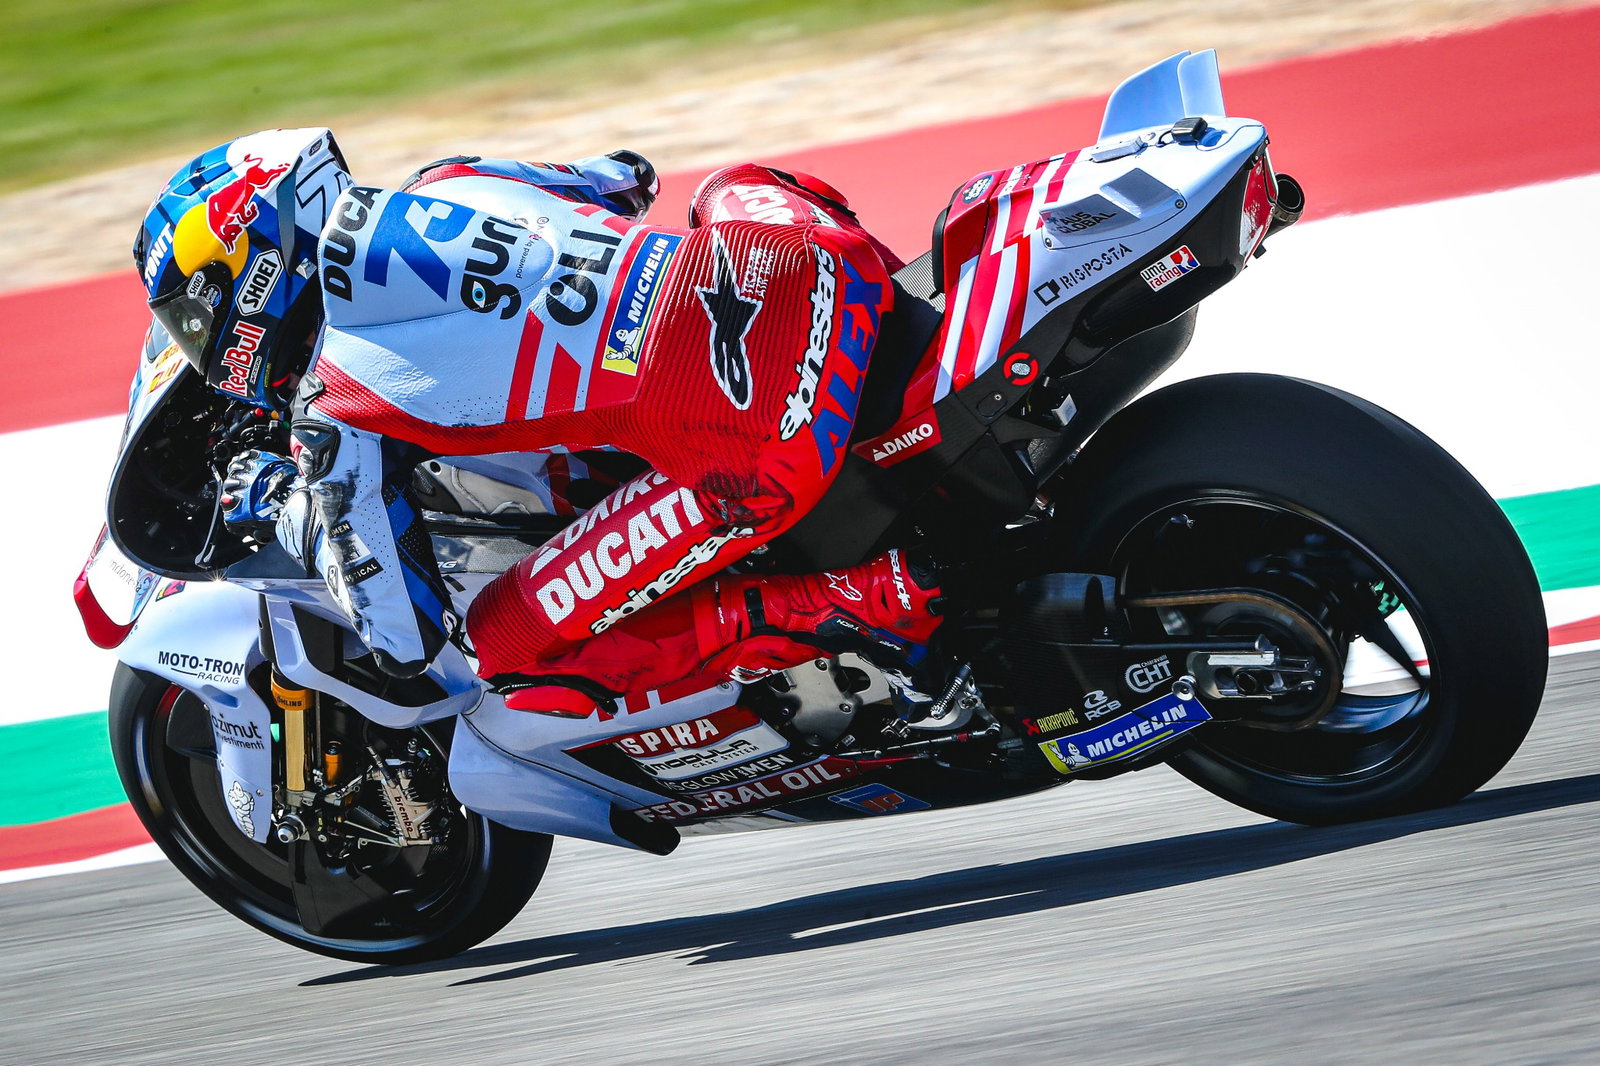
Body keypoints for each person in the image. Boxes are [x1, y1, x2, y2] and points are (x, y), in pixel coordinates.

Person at [133, 126, 942, 718]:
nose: (202, 347)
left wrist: (286, 503)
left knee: (502, 646)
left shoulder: (335, 399)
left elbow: (406, 638)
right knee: (728, 182)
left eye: (194, 322)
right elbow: (624, 177)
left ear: (250, 270)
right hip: (816, 269)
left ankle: (874, 594)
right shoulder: (452, 177)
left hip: (759, 440)